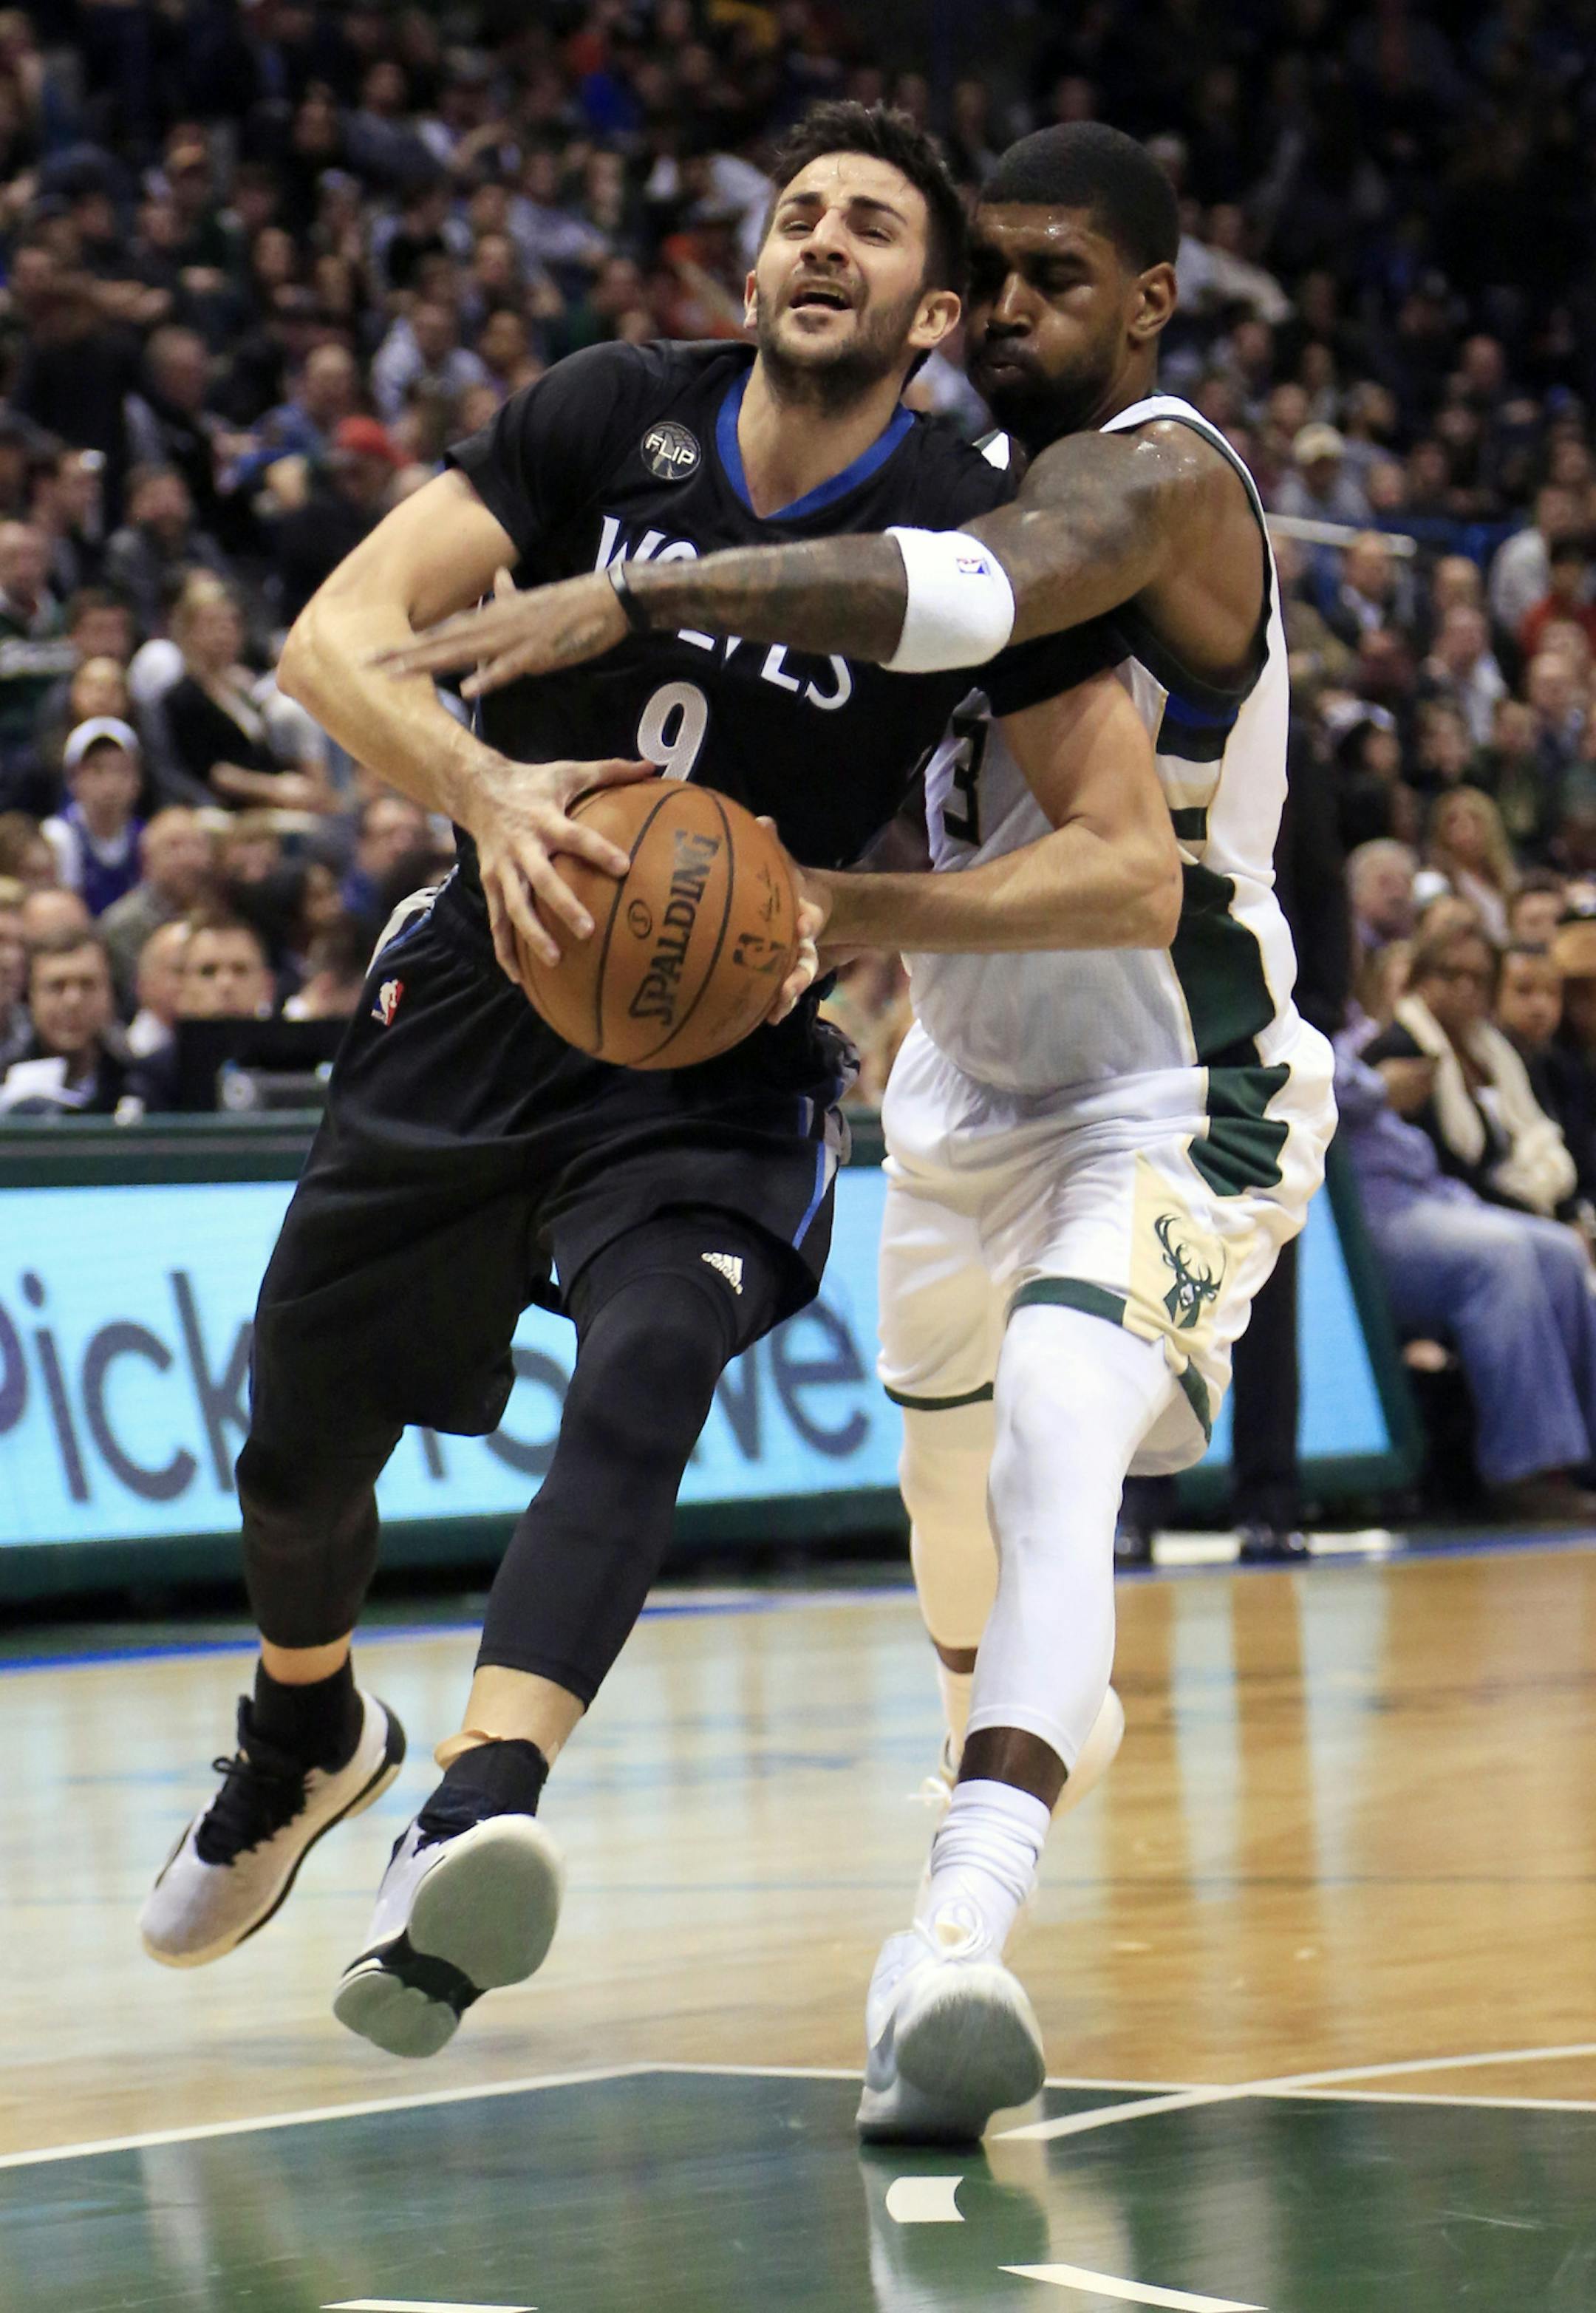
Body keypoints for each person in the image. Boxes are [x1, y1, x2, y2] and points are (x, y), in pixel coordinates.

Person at [398, 120, 1338, 2142]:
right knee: (954, 1538)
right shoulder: (933, 464)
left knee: (1063, 1435)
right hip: (958, 1085)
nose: (1007, 311)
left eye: (1055, 279)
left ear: (1150, 303)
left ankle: (956, 1945)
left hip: (1181, 1079)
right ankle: (979, 1815)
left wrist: (650, 601)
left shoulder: (1159, 480)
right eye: (983, 275)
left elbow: (975, 601)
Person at [138, 104, 1099, 2075]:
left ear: (931, 307)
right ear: (754, 274)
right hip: (486, 992)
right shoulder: (610, 415)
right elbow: (336, 640)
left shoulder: (976, 529)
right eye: (798, 214)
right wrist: (486, 790)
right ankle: (306, 1729)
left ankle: (478, 1807)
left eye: (872, 225)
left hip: (726, 1054)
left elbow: (1117, 863)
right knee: (297, 1455)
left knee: (655, 1355)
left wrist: (855, 901)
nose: (824, 239)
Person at [1363, 919, 1578, 1219]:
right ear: (1421, 977)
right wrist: (1532, 1214)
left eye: (1479, 979)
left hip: (1502, 1203)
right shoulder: (1401, 1048)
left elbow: (1532, 1133)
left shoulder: (1496, 1052)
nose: (1466, 987)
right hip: (1429, 1205)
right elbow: (1441, 1164)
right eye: (1451, 974)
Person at [0, 925, 131, 1115]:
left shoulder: (141, 1085)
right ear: (30, 997)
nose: (73, 1001)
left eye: (88, 985)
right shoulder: (5, 1082)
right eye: (56, 987)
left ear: (111, 995)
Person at [41, 718, 146, 917]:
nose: (110, 783)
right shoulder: (57, 838)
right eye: (97, 770)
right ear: (73, 779)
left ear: (137, 780)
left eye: (121, 770)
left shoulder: (147, 838)